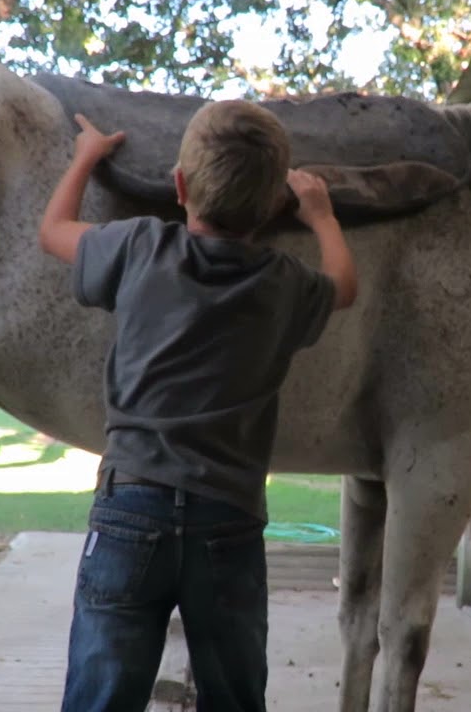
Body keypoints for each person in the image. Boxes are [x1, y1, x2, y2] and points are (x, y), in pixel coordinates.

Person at [38, 101, 358, 712]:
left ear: (180, 186)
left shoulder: (136, 248)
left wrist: (84, 158)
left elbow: (53, 230)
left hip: (130, 510)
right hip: (228, 523)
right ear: (270, 209)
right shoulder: (283, 283)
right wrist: (322, 215)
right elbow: (344, 284)